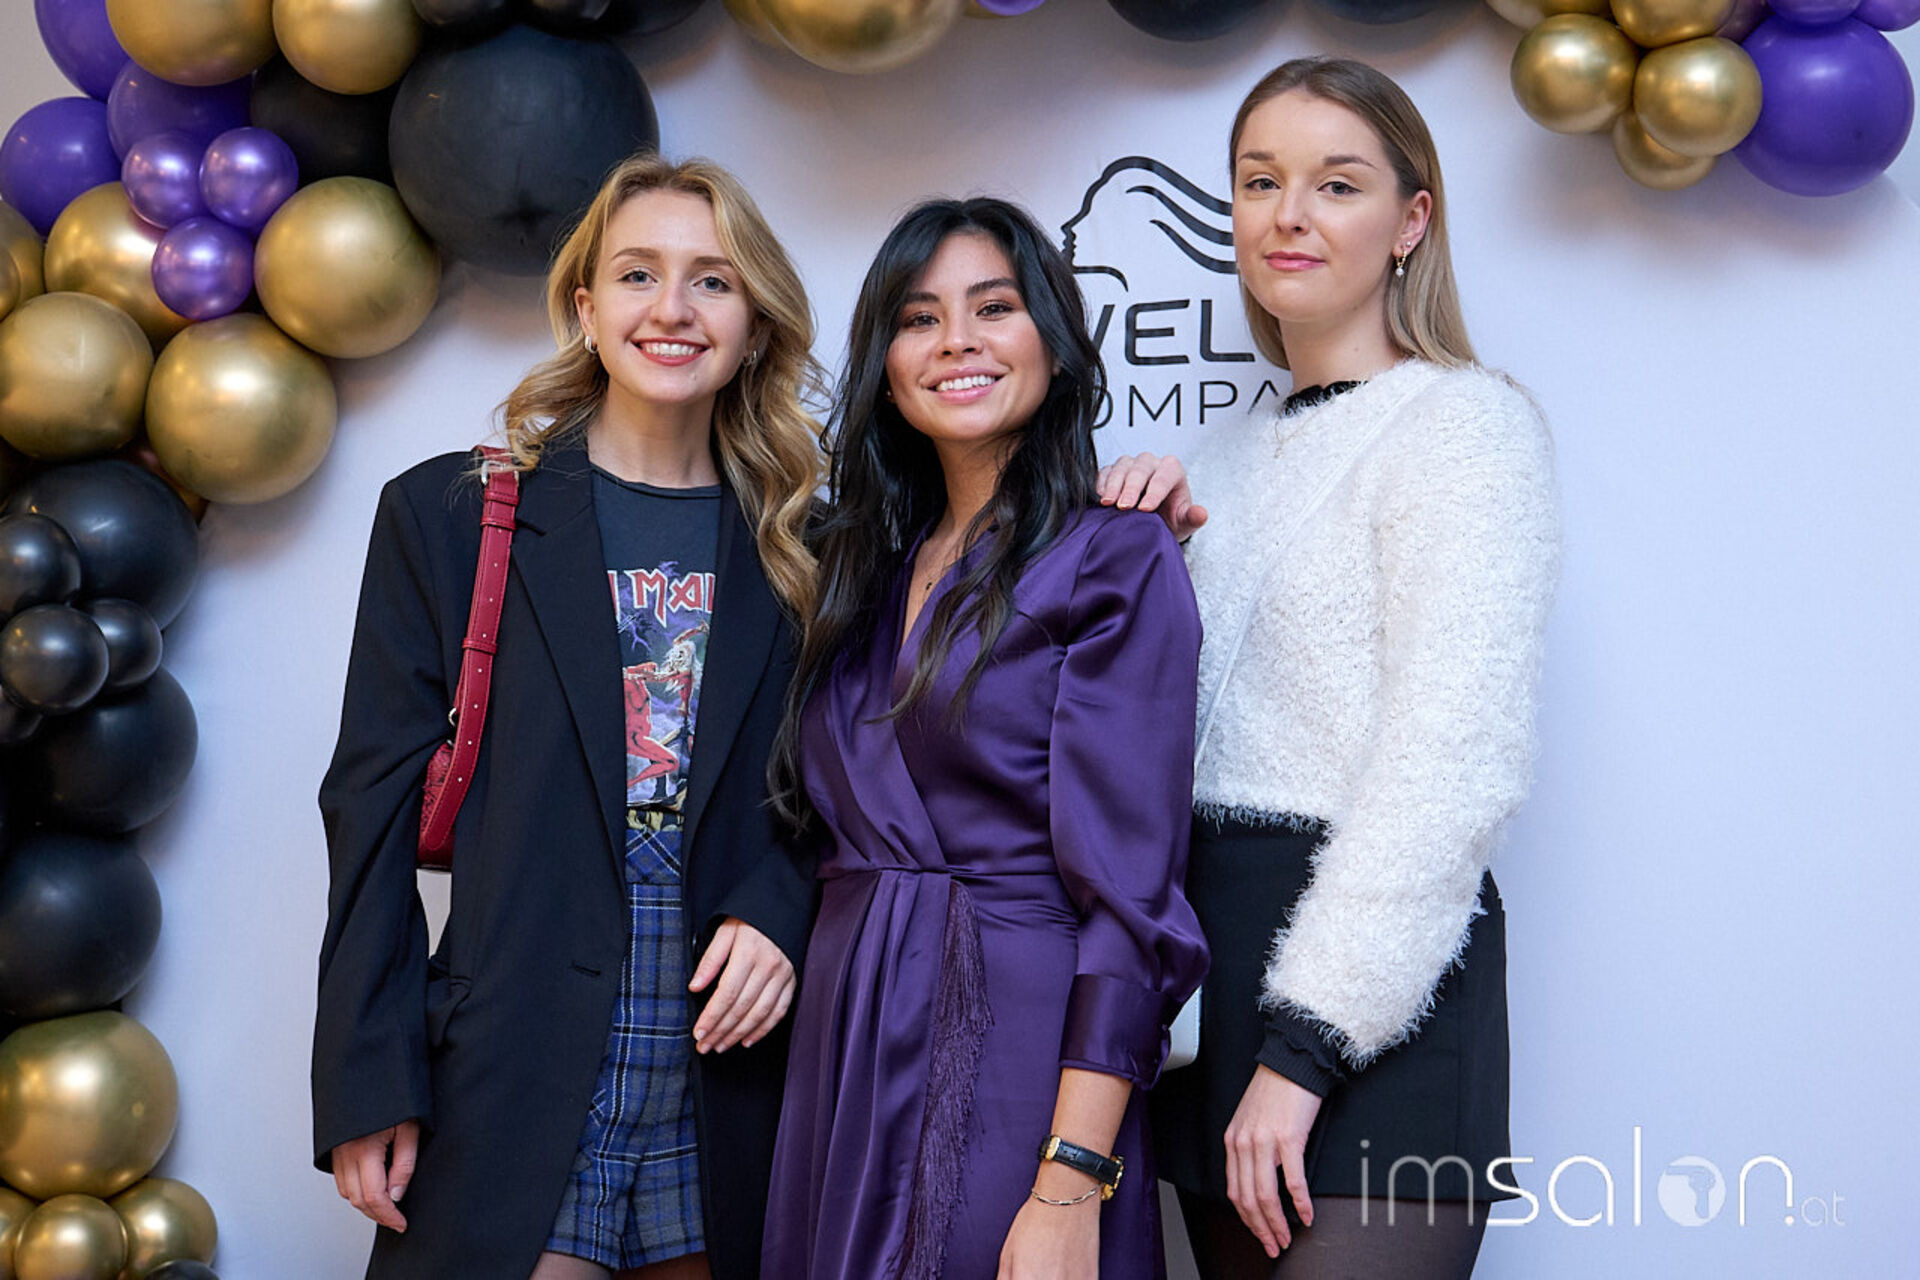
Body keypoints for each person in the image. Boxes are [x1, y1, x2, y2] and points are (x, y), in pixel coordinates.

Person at [312, 153, 822, 1280]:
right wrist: (367, 1076)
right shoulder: (449, 516)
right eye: (638, 274)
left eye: (713, 280)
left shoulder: (810, 547)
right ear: (587, 309)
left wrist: (782, 909)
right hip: (515, 1054)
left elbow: (861, 786)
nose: (673, 308)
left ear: (754, 324)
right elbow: (368, 809)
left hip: (731, 1064)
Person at [1101, 58, 1561, 1278]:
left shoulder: (1465, 424)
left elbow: (1450, 764)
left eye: (1337, 184)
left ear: (1412, 220)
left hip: (1370, 1012)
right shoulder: (1218, 460)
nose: (1288, 215)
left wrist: (1305, 1047)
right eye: (1260, 181)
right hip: (1208, 998)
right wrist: (1133, 556)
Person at [760, 197, 1209, 1280]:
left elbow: (1132, 905)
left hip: (1018, 1049)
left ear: (1053, 341)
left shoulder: (1116, 558)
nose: (957, 340)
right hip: (846, 1045)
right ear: (887, 366)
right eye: (920, 318)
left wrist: (1069, 1180)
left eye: (994, 308)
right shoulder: (852, 570)